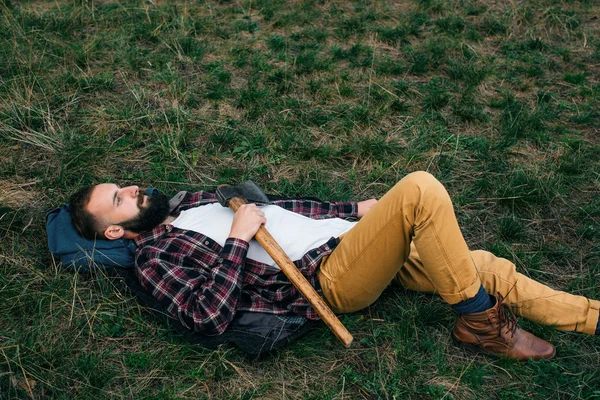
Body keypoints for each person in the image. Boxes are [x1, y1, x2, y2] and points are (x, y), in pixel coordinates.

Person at [68, 171, 600, 360]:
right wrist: (236, 240)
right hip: (328, 279)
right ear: (115, 231)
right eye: (119, 198)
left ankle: (590, 318)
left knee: (484, 263)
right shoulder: (156, 257)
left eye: (123, 185)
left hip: (348, 239)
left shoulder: (189, 201)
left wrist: (352, 211)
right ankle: (481, 321)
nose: (133, 189)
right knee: (420, 188)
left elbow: (281, 208)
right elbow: (206, 316)